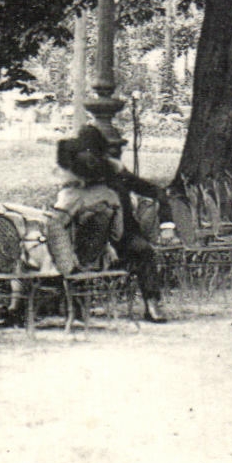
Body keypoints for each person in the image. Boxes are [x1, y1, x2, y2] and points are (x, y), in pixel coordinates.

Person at [54, 123, 174, 322]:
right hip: (85, 236)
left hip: (123, 235)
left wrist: (167, 225)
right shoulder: (73, 180)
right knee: (66, 252)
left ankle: (152, 303)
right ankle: (72, 304)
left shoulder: (118, 174)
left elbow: (156, 191)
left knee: (144, 250)